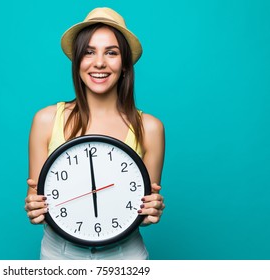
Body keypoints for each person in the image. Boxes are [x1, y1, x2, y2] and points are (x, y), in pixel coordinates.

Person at [24, 7, 165, 260]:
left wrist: (150, 212)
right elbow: (37, 201)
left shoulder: (150, 128)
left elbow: (141, 213)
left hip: (125, 256)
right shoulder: (46, 120)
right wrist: (34, 208)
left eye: (111, 52)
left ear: (124, 65)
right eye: (89, 52)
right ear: (77, 61)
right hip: (59, 256)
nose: (99, 62)